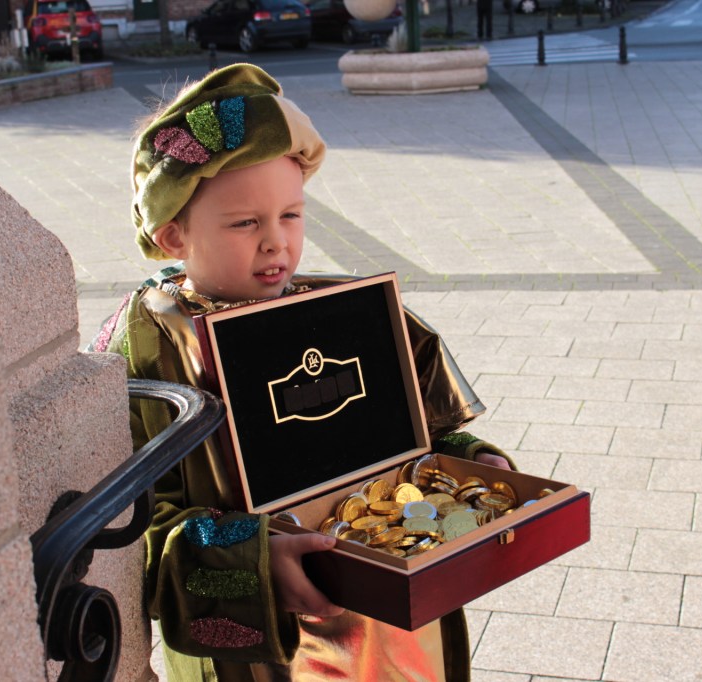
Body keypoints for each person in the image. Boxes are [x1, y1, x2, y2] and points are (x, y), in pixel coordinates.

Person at [93, 63, 514, 682]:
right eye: (245, 222)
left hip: (395, 635)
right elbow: (131, 536)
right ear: (173, 233)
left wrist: (467, 460)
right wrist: (253, 563)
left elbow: (416, 430)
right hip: (272, 655)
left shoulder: (342, 310)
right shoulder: (149, 345)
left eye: (290, 215)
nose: (276, 243)